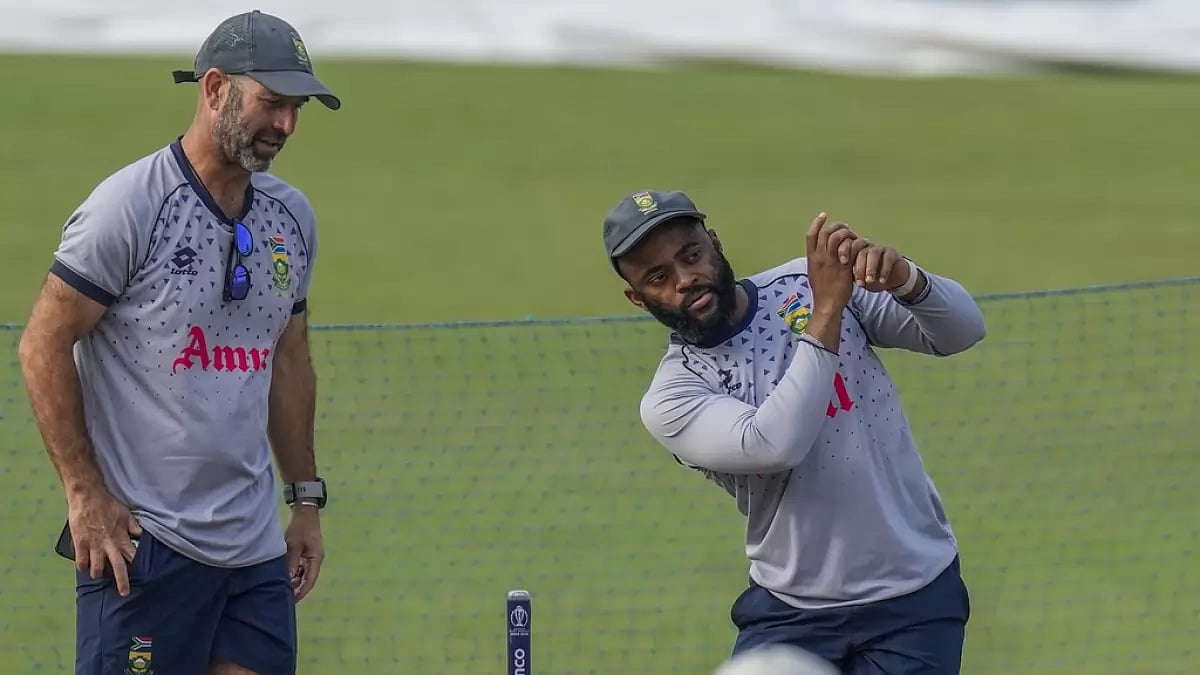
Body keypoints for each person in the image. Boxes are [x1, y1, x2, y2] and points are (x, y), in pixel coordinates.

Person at [17, 10, 339, 675]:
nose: (286, 125)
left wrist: (305, 499)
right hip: (147, 549)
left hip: (253, 559)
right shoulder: (128, 207)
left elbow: (288, 357)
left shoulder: (292, 218)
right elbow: (42, 344)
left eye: (297, 108)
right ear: (215, 87)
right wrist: (84, 492)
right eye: (272, 103)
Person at [601, 189, 988, 674]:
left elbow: (962, 331)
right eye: (658, 277)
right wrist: (826, 311)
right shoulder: (673, 396)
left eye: (691, 255)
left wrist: (906, 279)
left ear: (715, 243)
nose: (686, 280)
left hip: (913, 598)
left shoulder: (804, 285)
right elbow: (774, 443)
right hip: (790, 613)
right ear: (637, 298)